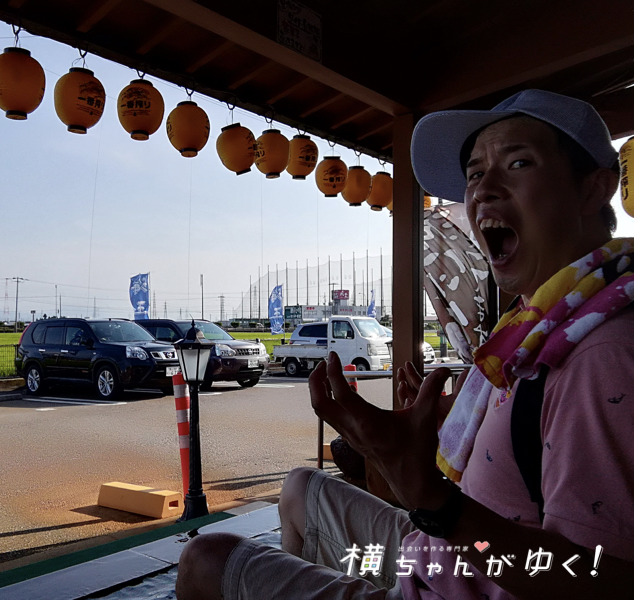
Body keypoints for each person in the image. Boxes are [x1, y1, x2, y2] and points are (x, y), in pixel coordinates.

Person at [175, 89, 634, 600]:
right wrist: (415, 443)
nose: (483, 191)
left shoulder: (599, 355)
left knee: (204, 560)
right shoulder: (538, 326)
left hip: (461, 568)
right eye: (475, 174)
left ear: (595, 188)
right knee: (301, 489)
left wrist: (433, 501)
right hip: (441, 551)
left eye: (518, 162)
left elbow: (597, 580)